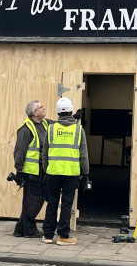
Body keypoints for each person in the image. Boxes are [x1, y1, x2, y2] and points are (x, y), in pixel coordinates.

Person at [41, 97, 90, 246]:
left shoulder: (51, 129)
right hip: (71, 174)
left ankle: (48, 235)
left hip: (53, 173)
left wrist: (46, 169)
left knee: (52, 204)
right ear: (71, 111)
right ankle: (63, 236)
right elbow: (83, 154)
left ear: (57, 112)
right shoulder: (78, 129)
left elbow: (45, 153)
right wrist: (86, 173)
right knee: (66, 205)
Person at [11, 99, 48, 237]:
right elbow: (19, 151)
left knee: (33, 200)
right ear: (34, 113)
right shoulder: (26, 129)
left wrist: (71, 117)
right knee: (33, 201)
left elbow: (58, 125)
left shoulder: (44, 123)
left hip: (41, 170)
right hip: (31, 171)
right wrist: (19, 171)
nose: (44, 108)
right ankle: (29, 230)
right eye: (41, 107)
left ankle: (20, 229)